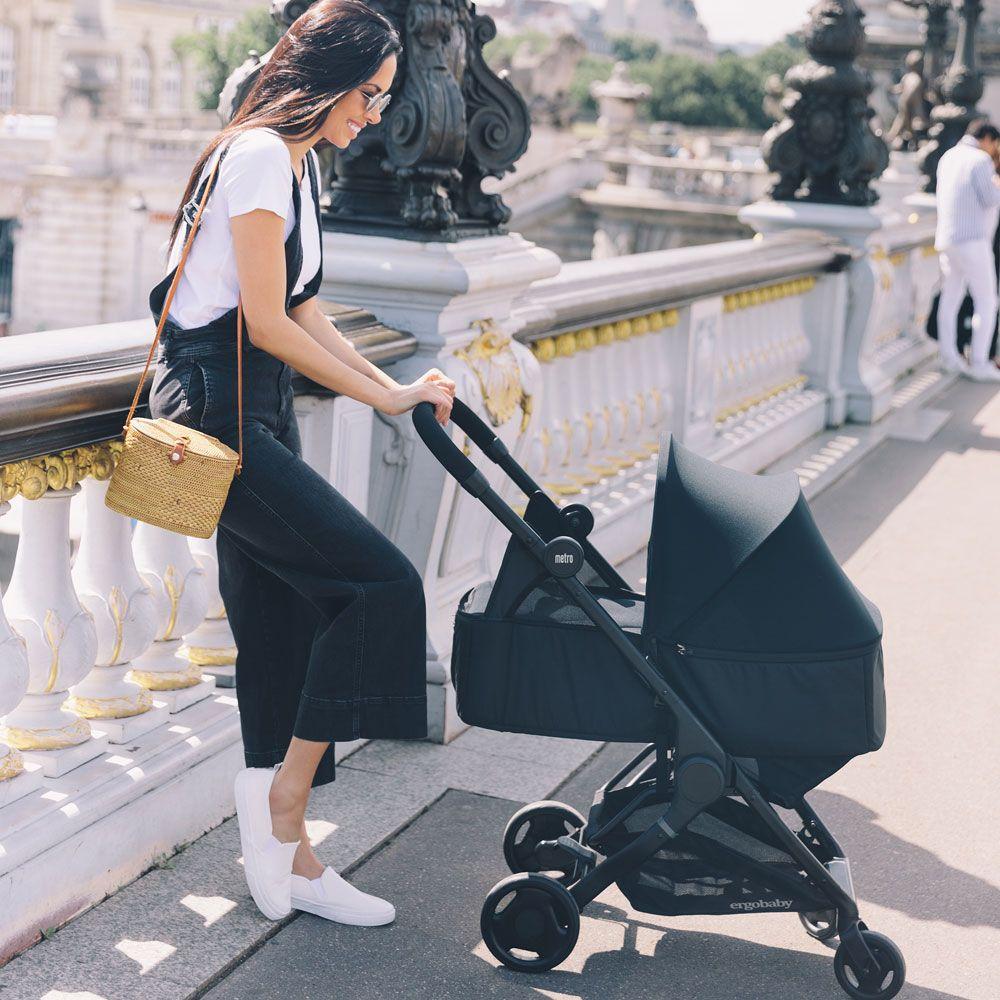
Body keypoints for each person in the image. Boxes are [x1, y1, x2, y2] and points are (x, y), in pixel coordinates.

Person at [146, 0, 455, 926]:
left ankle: (290, 864)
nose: (374, 114)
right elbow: (266, 323)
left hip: (253, 407)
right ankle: (288, 803)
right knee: (382, 586)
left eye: (383, 98)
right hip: (216, 412)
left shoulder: (292, 160)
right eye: (368, 94)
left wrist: (390, 386)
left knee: (276, 635)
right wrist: (383, 399)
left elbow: (305, 308)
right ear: (323, 80)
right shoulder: (253, 158)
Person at [934, 119, 1000, 381]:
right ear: (986, 138)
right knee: (987, 301)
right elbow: (991, 199)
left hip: (947, 238)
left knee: (950, 299)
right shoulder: (980, 160)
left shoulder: (948, 156)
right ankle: (980, 363)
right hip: (972, 240)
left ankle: (949, 357)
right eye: (994, 144)